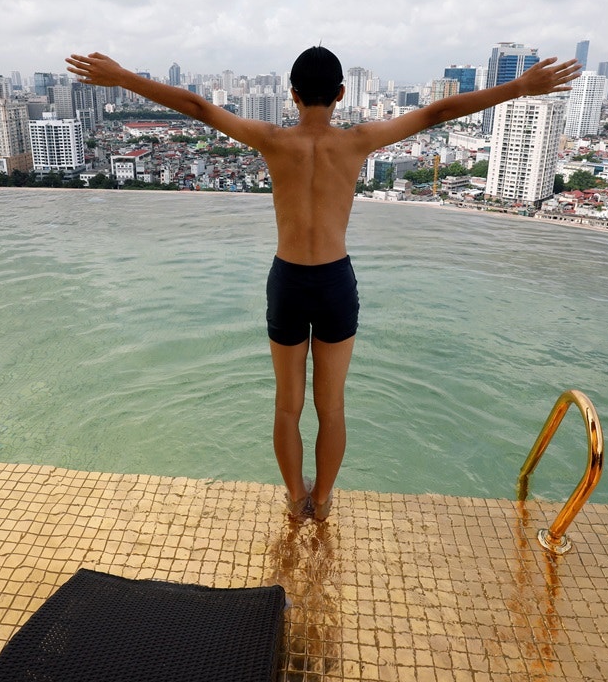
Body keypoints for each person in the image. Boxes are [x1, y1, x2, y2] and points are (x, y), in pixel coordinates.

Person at [66, 47, 580, 521]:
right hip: (335, 281)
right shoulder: (358, 141)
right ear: (339, 95)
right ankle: (325, 500)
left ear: (292, 93)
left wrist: (123, 78)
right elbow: (436, 114)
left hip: (288, 281)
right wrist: (519, 87)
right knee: (330, 406)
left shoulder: (272, 140)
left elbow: (197, 107)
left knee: (286, 405)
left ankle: (295, 500)